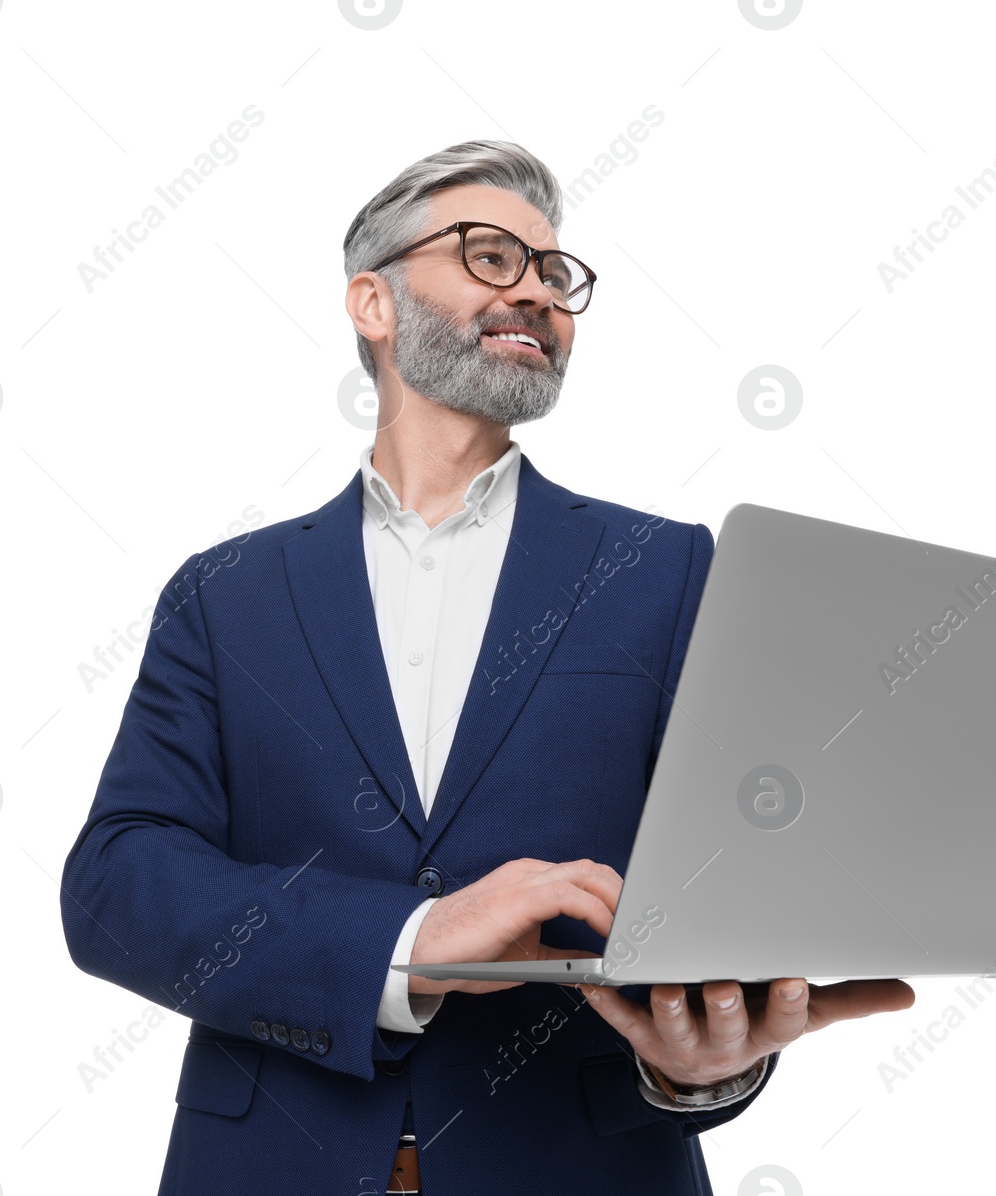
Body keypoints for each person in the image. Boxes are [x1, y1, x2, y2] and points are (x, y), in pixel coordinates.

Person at [60, 139, 913, 1196]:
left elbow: (723, 877)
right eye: (490, 257)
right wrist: (410, 940)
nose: (539, 294)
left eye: (557, 275)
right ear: (372, 303)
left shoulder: (665, 566)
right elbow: (119, 887)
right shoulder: (223, 592)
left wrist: (698, 1068)